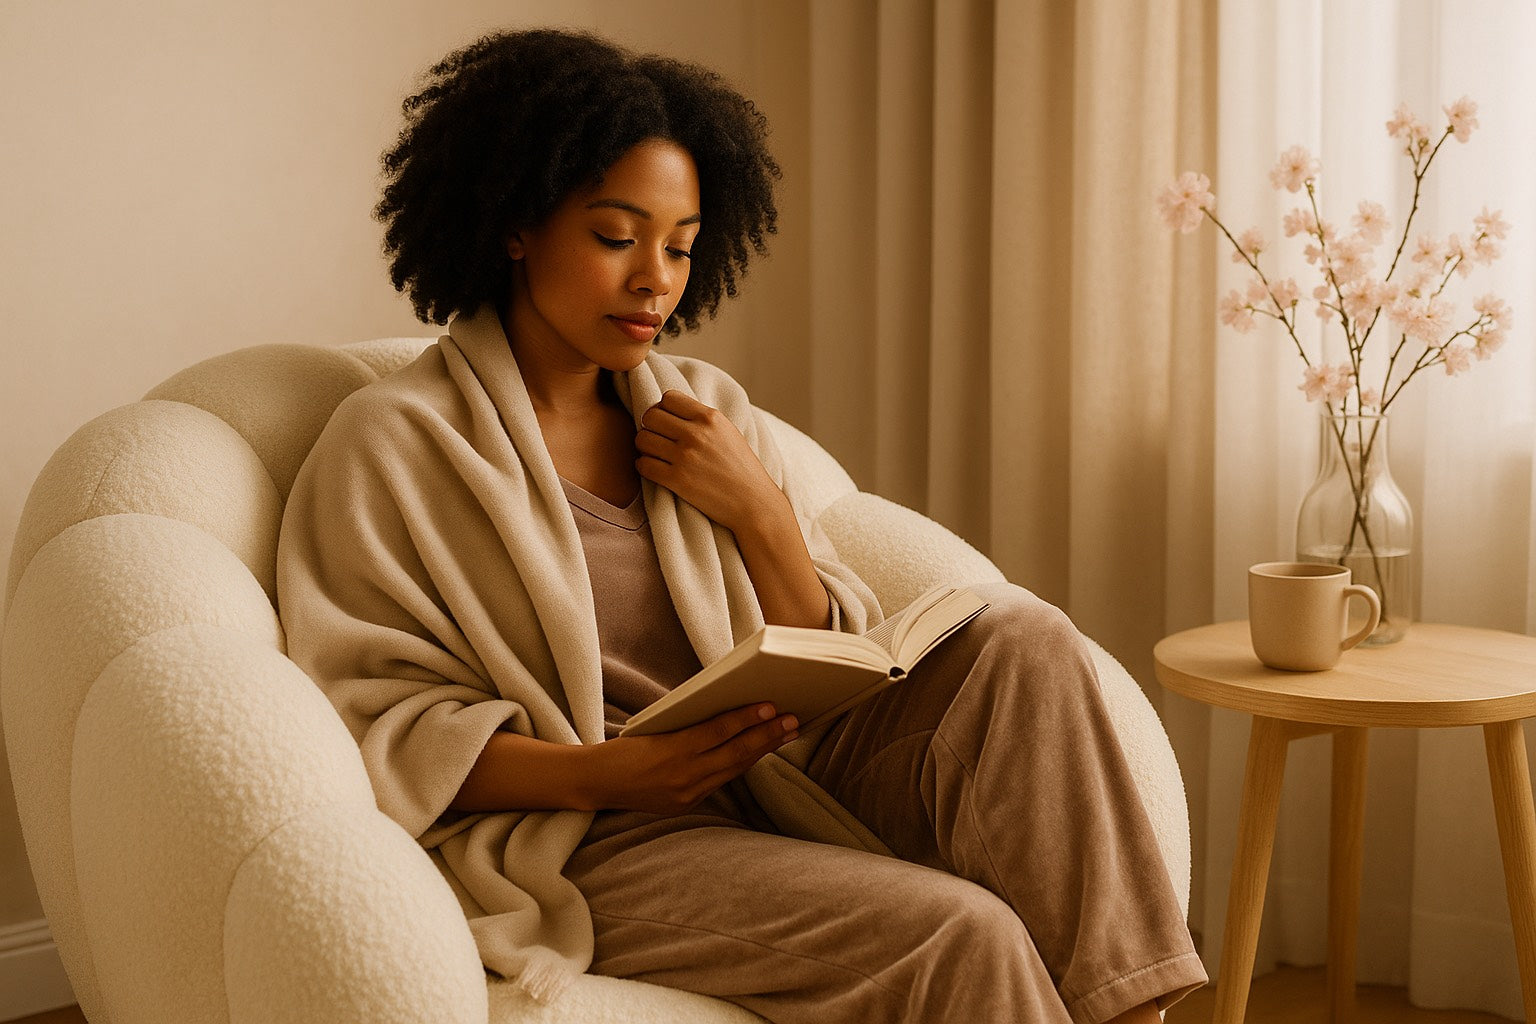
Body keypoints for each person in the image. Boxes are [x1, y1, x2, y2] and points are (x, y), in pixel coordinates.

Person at [275, 27, 1205, 1024]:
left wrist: (760, 510)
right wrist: (611, 772)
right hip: (592, 829)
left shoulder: (699, 407)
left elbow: (826, 643)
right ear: (516, 225)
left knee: (1026, 637)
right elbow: (376, 724)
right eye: (615, 235)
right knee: (959, 931)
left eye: (679, 247)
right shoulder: (400, 444)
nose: (655, 280)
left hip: (780, 767)